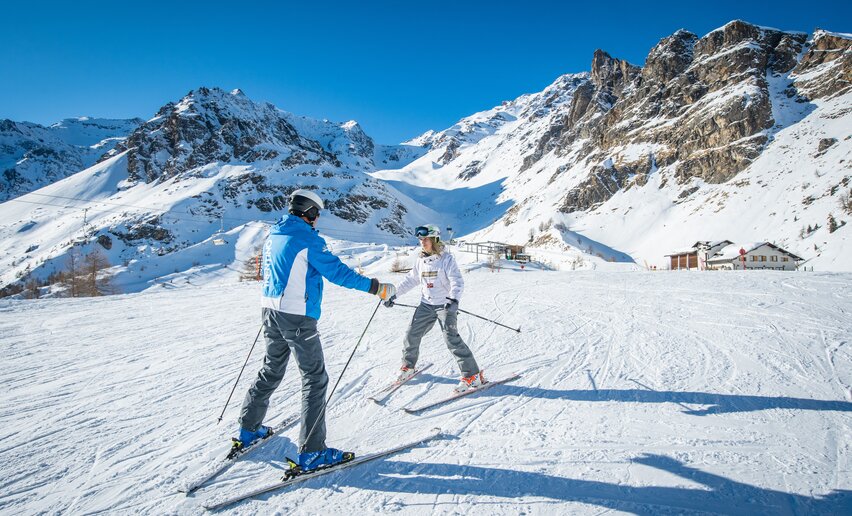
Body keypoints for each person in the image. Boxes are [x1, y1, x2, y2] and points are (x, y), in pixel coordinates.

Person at [236, 189, 396, 471]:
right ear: (310, 212)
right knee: (315, 378)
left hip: (271, 310)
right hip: (297, 315)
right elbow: (337, 273)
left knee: (271, 368)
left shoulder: (274, 234)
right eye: (316, 214)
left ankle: (249, 429)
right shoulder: (306, 238)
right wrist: (377, 287)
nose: (317, 219)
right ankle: (312, 451)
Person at [383, 224, 483, 393]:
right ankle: (408, 367)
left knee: (452, 339)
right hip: (426, 305)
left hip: (445, 305)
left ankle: (472, 375)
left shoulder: (446, 259)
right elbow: (410, 280)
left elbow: (456, 281)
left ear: (435, 239)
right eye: (421, 239)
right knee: (411, 334)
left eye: (426, 239)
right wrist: (393, 295)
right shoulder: (420, 261)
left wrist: (453, 300)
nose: (422, 242)